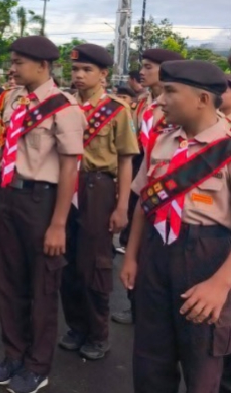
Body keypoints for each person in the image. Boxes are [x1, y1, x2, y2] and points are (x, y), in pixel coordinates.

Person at [120, 60, 231, 393]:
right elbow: (144, 201)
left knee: (201, 361)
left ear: (201, 99)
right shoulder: (164, 141)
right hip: (157, 248)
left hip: (207, 256)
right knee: (151, 356)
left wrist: (220, 284)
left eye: (170, 92)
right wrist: (131, 256)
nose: (161, 100)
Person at [0, 36, 85, 393]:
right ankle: (13, 355)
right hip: (11, 197)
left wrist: (59, 224)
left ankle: (37, 366)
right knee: (9, 283)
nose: (12, 69)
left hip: (42, 202)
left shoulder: (64, 107)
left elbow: (71, 167)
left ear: (43, 66)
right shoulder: (14, 99)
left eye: (19, 63)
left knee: (42, 286)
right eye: (11, 62)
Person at [58, 44, 139, 361]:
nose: (78, 75)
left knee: (95, 263)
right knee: (66, 260)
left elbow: (125, 161)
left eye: (86, 70)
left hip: (97, 187)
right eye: (75, 70)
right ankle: (76, 326)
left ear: (104, 74)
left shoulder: (118, 110)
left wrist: (121, 206)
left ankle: (97, 332)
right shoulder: (63, 106)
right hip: (68, 185)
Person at [112, 48, 184, 326]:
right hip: (142, 176)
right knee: (133, 239)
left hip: (167, 181)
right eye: (142, 66)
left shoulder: (176, 107)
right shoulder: (144, 105)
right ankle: (136, 302)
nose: (141, 72)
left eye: (149, 66)